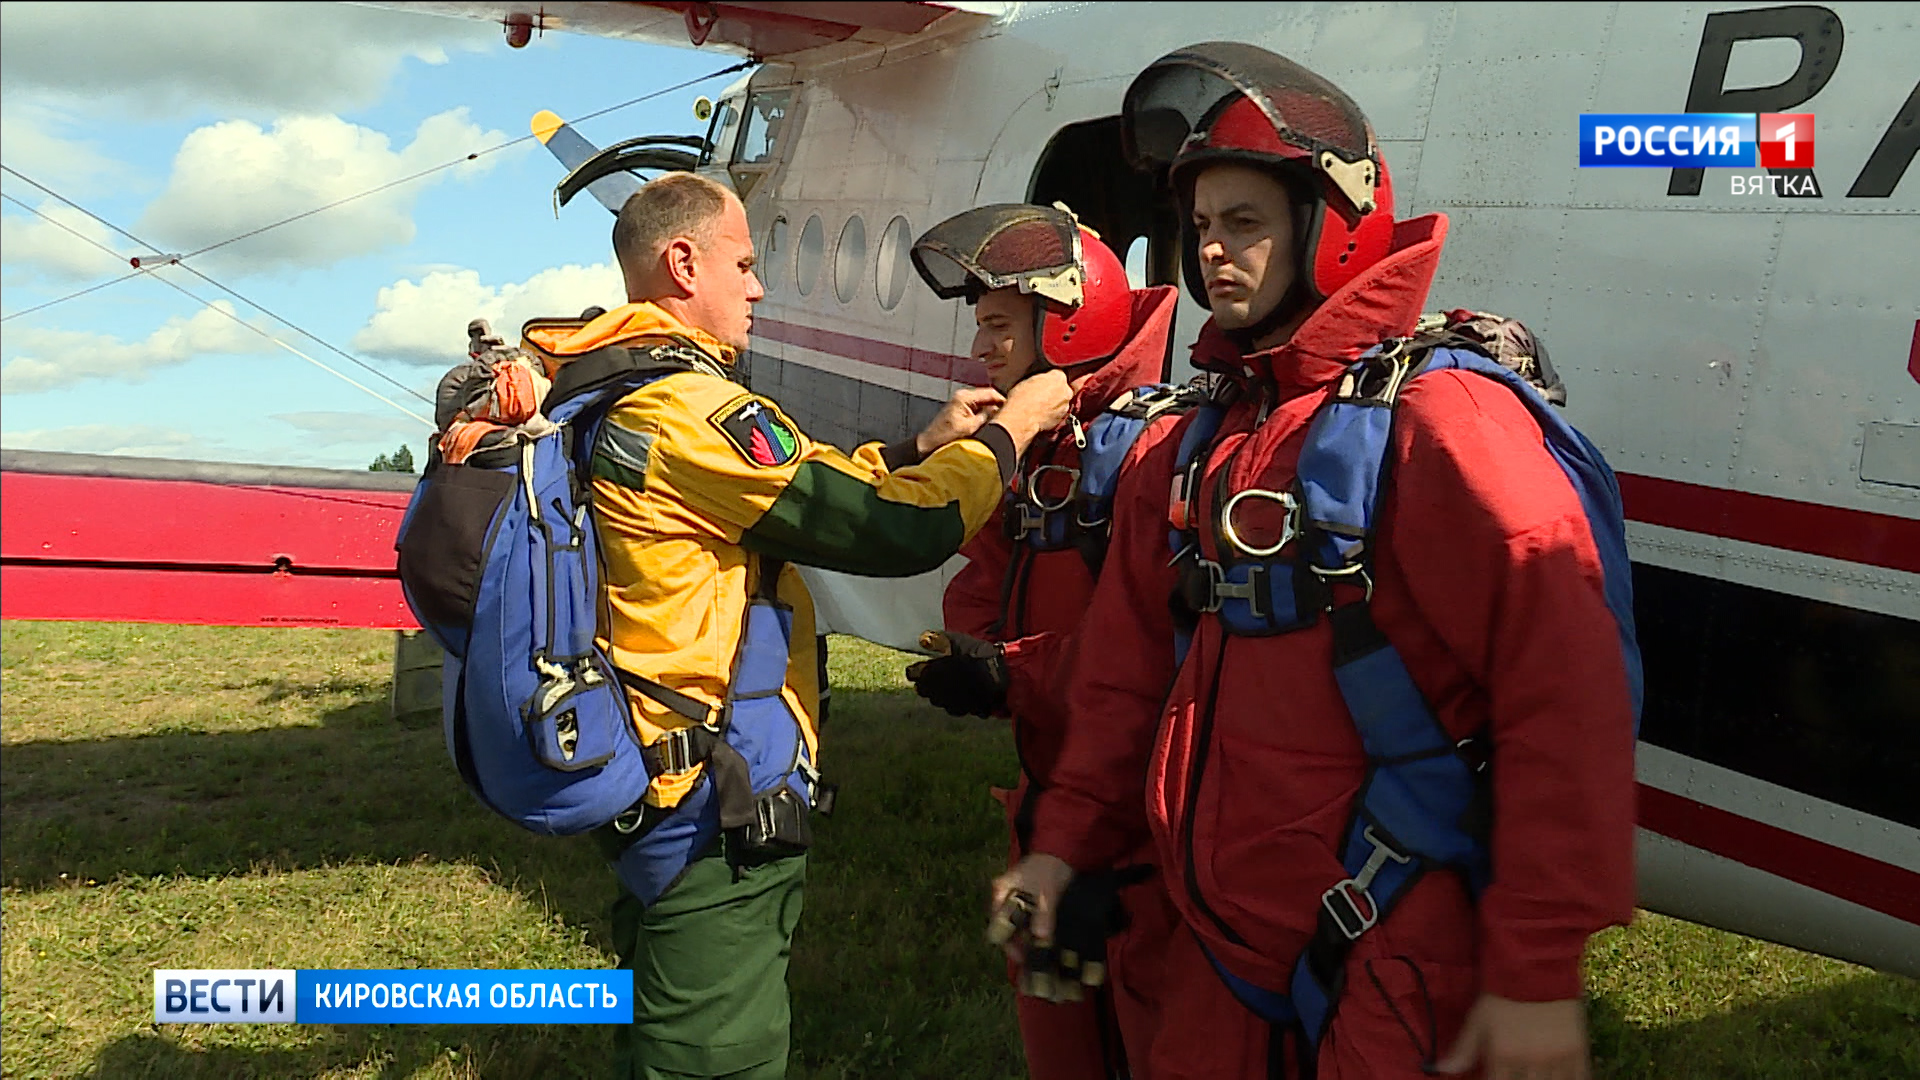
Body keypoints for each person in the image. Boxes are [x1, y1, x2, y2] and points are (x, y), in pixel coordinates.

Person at [991, 43, 1639, 1080]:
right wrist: (1067, 843)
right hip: (1221, 951)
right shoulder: (1195, 441)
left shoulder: (1443, 423)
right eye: (1201, 223)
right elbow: (1122, 673)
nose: (1213, 250)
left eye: (1246, 222)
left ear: (1331, 228)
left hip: (1389, 949)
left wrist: (1534, 969)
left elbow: (1565, 693)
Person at [524, 172, 1071, 1080]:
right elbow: (899, 531)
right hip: (709, 810)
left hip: (649, 779)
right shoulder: (689, 412)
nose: (758, 287)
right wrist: (1011, 433)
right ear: (684, 263)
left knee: (660, 1027)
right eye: (744, 264)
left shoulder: (613, 392)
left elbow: (789, 489)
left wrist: (916, 448)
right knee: (713, 1059)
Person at [901, 204, 1185, 1079]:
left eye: (998, 325)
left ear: (1065, 324)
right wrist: (981, 661)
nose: (981, 346)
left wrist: (1011, 673)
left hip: (1137, 831)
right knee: (1059, 1044)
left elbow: (1146, 657)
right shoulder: (1038, 454)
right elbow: (980, 585)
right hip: (1050, 806)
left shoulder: (1149, 451)